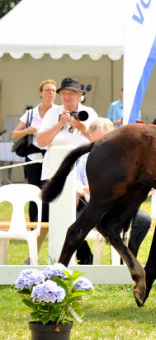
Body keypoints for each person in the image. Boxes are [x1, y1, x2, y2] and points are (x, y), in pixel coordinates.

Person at [34, 77, 98, 260]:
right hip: (55, 175)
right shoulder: (52, 113)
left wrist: (82, 127)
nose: (67, 97)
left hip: (83, 177)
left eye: (71, 93)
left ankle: (80, 254)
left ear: (80, 96)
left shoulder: (89, 112)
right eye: (64, 93)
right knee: (57, 217)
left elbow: (100, 141)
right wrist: (60, 124)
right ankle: (77, 255)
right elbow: (40, 141)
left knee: (78, 216)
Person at [75, 118, 151, 264]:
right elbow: (77, 185)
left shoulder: (125, 158)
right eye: (95, 141)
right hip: (90, 206)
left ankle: (128, 259)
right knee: (71, 220)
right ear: (90, 137)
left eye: (104, 140)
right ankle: (85, 257)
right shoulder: (84, 158)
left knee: (143, 220)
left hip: (117, 207)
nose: (99, 145)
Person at [12, 79, 58, 262]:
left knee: (48, 192)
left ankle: (48, 224)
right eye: (47, 90)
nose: (50, 93)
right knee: (34, 192)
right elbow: (15, 134)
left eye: (53, 91)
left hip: (52, 158)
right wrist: (27, 131)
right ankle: (34, 226)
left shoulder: (58, 112)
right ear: (40, 93)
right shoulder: (30, 113)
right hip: (33, 158)